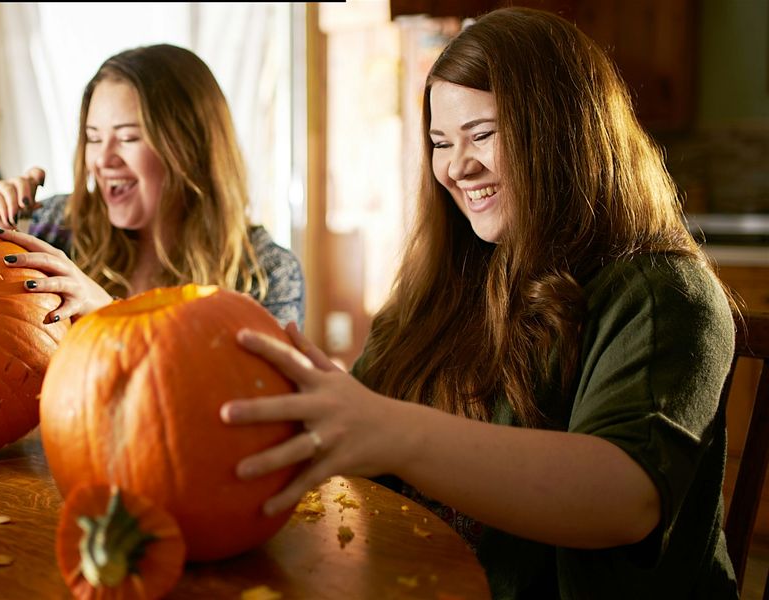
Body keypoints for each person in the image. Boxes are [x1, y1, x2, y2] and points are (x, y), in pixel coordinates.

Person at [221, 7, 737, 599]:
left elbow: (624, 498)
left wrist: (395, 431)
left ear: (564, 130)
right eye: (441, 142)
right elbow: (357, 436)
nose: (457, 166)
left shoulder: (663, 293)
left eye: (483, 134)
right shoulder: (442, 284)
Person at [0, 44, 303, 326]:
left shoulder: (267, 274)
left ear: (191, 145)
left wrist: (106, 313)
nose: (103, 160)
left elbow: (245, 400)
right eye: (93, 138)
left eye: (129, 138)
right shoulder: (52, 226)